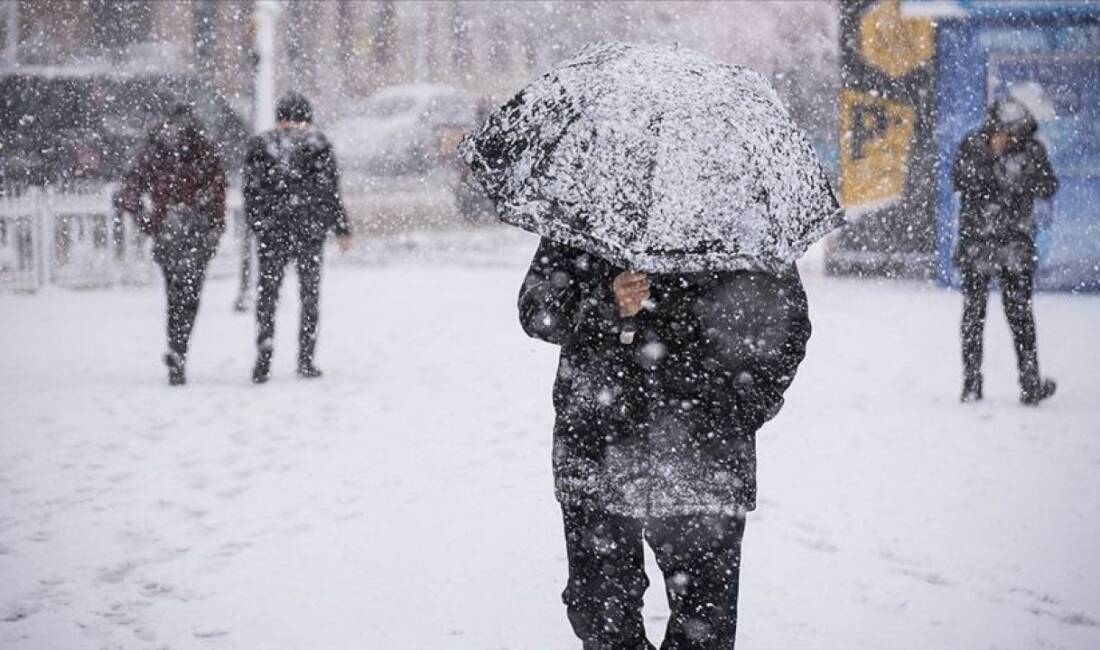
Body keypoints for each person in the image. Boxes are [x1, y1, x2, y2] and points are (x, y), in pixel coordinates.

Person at [519, 238, 811, 649]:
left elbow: (787, 326)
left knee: (704, 625)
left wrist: (739, 409)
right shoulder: (592, 205)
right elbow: (537, 309)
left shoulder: (739, 217)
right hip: (599, 448)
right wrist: (606, 300)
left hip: (705, 458)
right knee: (603, 619)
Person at [952, 99, 1058, 405]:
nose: (1012, 140)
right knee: (974, 316)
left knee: (1021, 317)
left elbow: (1049, 185)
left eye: (1017, 135)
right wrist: (993, 159)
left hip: (1015, 245)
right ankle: (971, 384)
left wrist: (1018, 174)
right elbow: (961, 181)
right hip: (978, 244)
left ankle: (1029, 385)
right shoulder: (974, 146)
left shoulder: (1032, 151)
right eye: (1007, 133)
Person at [114, 102, 226, 385]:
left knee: (175, 293)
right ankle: (180, 347)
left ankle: (177, 349)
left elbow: (129, 190)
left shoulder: (155, 150)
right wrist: (215, 226)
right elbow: (217, 191)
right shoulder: (202, 149)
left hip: (169, 229)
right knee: (189, 295)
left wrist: (150, 221)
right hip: (195, 229)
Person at [244, 92, 351, 384]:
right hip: (309, 232)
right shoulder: (317, 144)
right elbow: (330, 191)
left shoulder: (260, 145)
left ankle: (264, 350)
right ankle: (306, 357)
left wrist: (259, 224)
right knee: (309, 295)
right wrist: (340, 227)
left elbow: (251, 192)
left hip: (273, 232)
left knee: (268, 293)